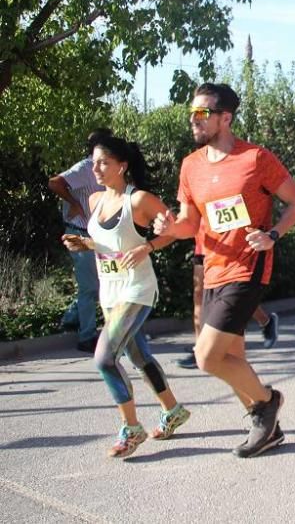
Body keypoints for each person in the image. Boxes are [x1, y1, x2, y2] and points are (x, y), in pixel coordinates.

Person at [154, 82, 295, 458]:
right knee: (231, 357)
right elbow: (191, 224)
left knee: (207, 357)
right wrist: (170, 229)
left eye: (203, 112)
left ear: (226, 117)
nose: (194, 118)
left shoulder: (255, 159)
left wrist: (273, 234)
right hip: (213, 268)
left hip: (248, 267)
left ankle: (267, 402)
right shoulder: (190, 166)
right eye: (192, 112)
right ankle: (267, 428)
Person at [61, 137, 190, 457]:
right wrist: (86, 245)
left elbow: (173, 231)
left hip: (137, 289)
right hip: (110, 291)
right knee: (138, 357)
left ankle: (131, 428)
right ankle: (173, 411)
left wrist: (147, 246)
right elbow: (108, 243)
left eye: (103, 162)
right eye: (93, 163)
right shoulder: (94, 201)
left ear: (122, 166)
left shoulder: (139, 201)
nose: (96, 169)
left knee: (104, 358)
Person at [176, 229, 279, 369]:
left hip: (229, 244)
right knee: (199, 294)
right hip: (205, 243)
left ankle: (265, 320)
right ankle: (199, 347)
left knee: (234, 295)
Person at [49, 128, 111, 352]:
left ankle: (70, 318)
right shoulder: (85, 168)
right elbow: (55, 182)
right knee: (90, 288)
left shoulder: (101, 168)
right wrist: (73, 203)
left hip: (93, 235)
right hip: (80, 233)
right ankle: (86, 337)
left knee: (94, 285)